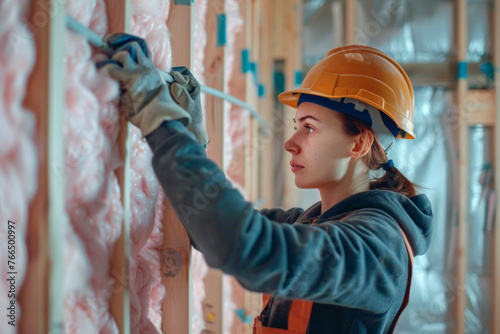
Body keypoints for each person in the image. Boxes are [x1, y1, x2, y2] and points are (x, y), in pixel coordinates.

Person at [101, 34, 433, 333]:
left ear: (358, 144)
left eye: (310, 127)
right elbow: (212, 226)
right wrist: (190, 138)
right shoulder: (318, 220)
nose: (291, 142)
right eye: (297, 125)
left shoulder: (377, 249)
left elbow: (243, 247)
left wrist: (161, 122)